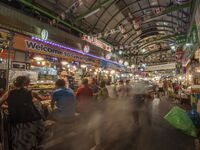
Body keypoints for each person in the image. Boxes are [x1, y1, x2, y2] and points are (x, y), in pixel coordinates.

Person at [0, 76, 44, 150]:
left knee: (18, 141)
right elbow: (40, 100)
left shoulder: (9, 93)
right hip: (30, 120)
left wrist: (9, 107)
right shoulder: (30, 92)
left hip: (17, 121)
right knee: (30, 140)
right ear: (26, 84)